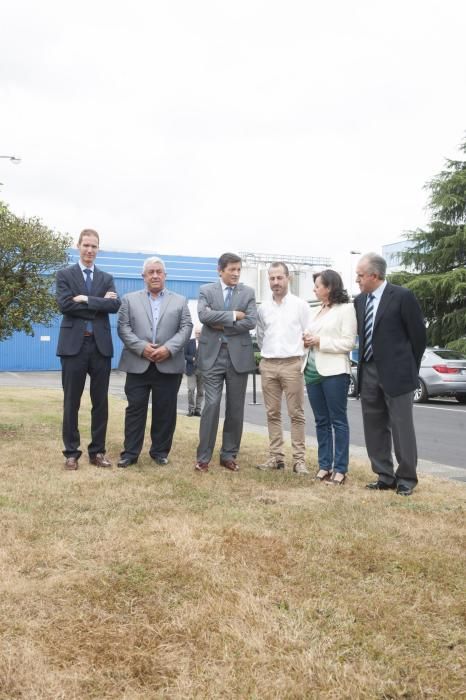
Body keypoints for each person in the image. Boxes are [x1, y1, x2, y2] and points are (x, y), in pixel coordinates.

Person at [354, 252, 427, 496]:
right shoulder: (360, 301)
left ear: (374, 276)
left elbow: (418, 337)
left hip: (398, 373)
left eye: (360, 275)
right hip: (369, 370)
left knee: (401, 426)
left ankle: (406, 478)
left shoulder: (402, 296)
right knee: (374, 425)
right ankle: (384, 475)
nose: (357, 280)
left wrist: (410, 369)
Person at [117, 256, 192, 467]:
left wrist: (169, 349)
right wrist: (142, 348)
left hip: (169, 364)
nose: (155, 275)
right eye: (151, 272)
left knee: (165, 411)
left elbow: (186, 328)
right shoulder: (129, 300)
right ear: (144, 276)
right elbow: (123, 328)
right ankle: (130, 453)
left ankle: (159, 452)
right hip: (137, 363)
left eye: (159, 271)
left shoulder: (180, 300)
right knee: (134, 410)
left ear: (165, 276)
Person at [56, 228, 121, 470]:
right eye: (86, 245)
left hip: (100, 346)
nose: (90, 250)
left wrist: (83, 299)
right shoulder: (64, 275)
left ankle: (97, 452)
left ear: (98, 249)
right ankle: (71, 452)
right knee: (71, 401)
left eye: (94, 246)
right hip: (74, 346)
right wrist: (99, 302)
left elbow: (114, 305)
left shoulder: (106, 277)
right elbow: (64, 305)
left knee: (100, 402)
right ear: (78, 246)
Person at [195, 252, 257, 472]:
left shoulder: (248, 292)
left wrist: (220, 322)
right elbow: (203, 316)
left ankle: (229, 455)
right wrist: (233, 315)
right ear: (220, 270)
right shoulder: (206, 290)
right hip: (212, 356)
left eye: (239, 269)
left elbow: (251, 321)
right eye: (232, 269)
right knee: (211, 405)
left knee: (235, 408)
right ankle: (203, 458)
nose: (236, 273)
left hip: (237, 358)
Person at [256, 262, 313, 474]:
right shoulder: (263, 308)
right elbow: (261, 336)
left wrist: (300, 360)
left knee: (296, 413)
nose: (275, 282)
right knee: (272, 413)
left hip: (292, 364)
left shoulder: (301, 306)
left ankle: (299, 460)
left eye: (279, 278)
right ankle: (276, 457)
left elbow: (308, 334)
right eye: (272, 278)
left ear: (288, 278)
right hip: (268, 364)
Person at [303, 270, 357, 485]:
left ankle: (340, 469)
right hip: (311, 371)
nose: (314, 289)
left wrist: (319, 340)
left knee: (338, 421)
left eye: (317, 285)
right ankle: (324, 465)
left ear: (330, 287)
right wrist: (307, 340)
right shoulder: (316, 310)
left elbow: (348, 343)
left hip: (335, 372)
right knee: (321, 421)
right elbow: (312, 338)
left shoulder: (346, 309)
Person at [184, 326, 204, 416]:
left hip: (202, 370)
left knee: (200, 392)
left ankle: (198, 410)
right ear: (194, 333)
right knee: (191, 390)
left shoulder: (205, 343)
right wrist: (191, 358)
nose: (198, 335)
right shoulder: (189, 342)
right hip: (191, 369)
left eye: (199, 333)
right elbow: (184, 355)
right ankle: (191, 409)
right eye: (196, 333)